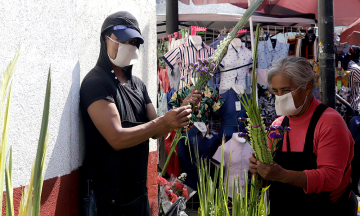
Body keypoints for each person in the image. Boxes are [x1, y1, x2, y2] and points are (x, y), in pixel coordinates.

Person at [79, 11, 202, 216]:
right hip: (105, 199)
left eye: (134, 41)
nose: (129, 45)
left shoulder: (138, 85)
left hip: (137, 195)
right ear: (105, 38)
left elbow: (155, 129)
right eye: (123, 39)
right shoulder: (96, 84)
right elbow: (117, 138)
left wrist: (181, 110)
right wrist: (163, 122)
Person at [249, 56, 358, 216]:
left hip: (328, 209)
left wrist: (283, 175)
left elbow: (330, 178)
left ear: (307, 87)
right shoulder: (278, 125)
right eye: (276, 91)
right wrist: (259, 170)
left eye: (286, 91)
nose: (280, 97)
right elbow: (267, 180)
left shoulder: (329, 122)